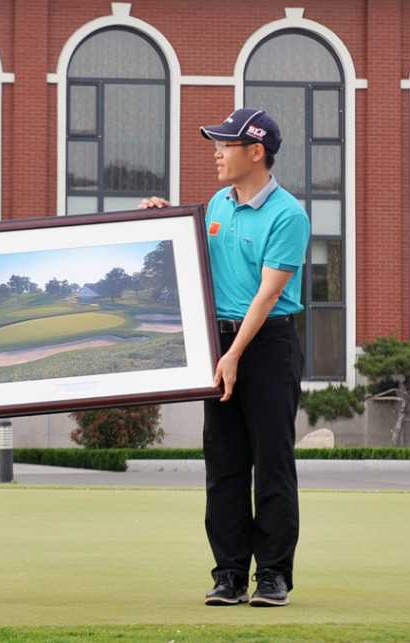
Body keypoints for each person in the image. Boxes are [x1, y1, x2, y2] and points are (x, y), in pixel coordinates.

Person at [140, 108, 309, 607]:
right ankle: (230, 573)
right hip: (221, 345)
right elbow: (198, 253)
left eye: (226, 145)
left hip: (267, 347)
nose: (216, 152)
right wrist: (166, 217)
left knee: (272, 461)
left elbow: (267, 295)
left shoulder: (289, 215)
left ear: (255, 152)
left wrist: (234, 354)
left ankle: (273, 574)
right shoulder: (218, 203)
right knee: (224, 462)